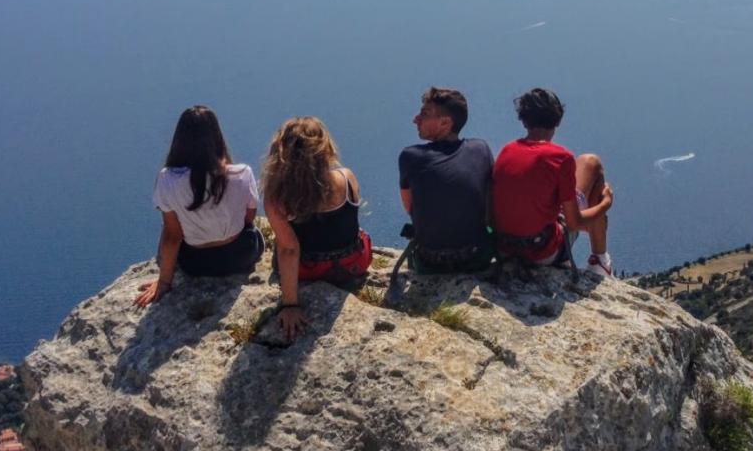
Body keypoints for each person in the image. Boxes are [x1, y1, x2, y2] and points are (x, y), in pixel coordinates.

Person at [135, 106, 265, 308]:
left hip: (195, 263)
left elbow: (172, 236)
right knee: (252, 231)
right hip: (241, 255)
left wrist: (164, 281)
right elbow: (249, 218)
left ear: (180, 140)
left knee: (169, 224)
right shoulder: (242, 173)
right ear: (217, 137)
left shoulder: (167, 179)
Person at [263, 116, 372, 340]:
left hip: (308, 270)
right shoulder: (346, 177)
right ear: (325, 147)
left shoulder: (278, 196)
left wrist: (290, 304)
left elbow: (289, 249)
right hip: (352, 265)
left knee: (280, 245)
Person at [491, 88, 616, 277]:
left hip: (504, 249)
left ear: (523, 120)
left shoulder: (507, 151)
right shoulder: (560, 158)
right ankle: (600, 262)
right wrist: (605, 204)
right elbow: (574, 223)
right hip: (541, 252)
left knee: (585, 166)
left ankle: (597, 251)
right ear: (558, 120)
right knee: (592, 163)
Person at [398, 87, 494, 273]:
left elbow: (410, 207)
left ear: (445, 123)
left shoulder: (410, 156)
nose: (416, 119)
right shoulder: (480, 149)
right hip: (476, 258)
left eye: (424, 114)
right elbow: (490, 201)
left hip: (429, 262)